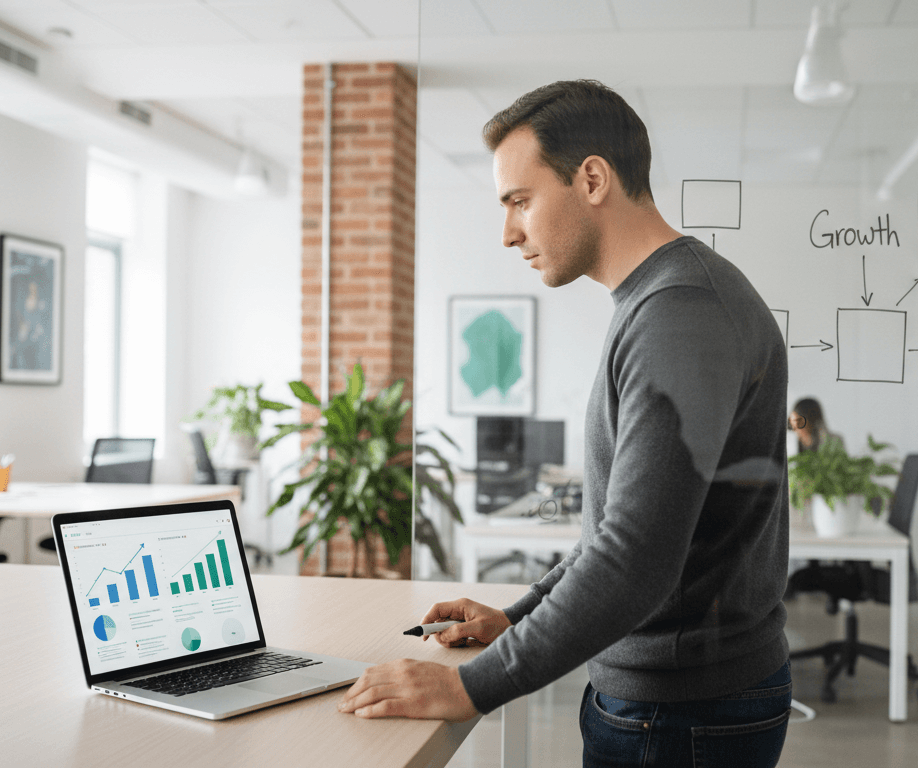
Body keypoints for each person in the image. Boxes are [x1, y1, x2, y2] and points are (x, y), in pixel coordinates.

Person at [338, 80, 791, 766]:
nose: (508, 231)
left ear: (592, 178)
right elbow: (617, 528)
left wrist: (471, 688)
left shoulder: (679, 314)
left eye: (521, 201)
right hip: (671, 701)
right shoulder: (660, 301)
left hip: (679, 713)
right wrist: (513, 617)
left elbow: (636, 558)